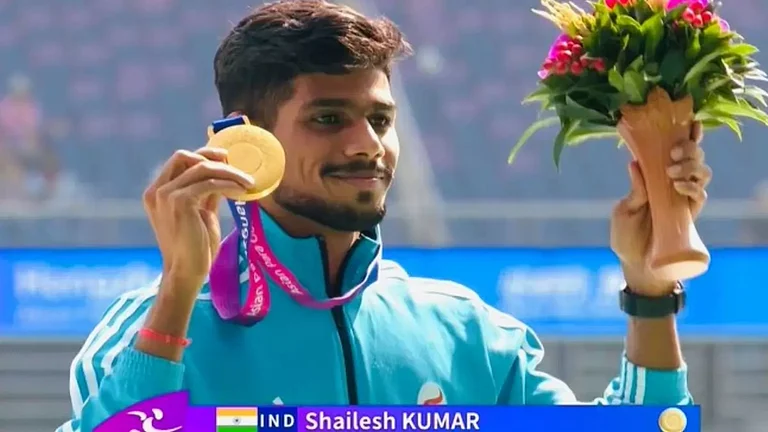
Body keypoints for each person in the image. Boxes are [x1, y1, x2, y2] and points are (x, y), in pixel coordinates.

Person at [58, 1, 713, 431]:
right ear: (245, 142)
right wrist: (178, 293)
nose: (366, 144)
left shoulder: (471, 334)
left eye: (379, 120)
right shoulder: (152, 332)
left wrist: (650, 291)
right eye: (327, 119)